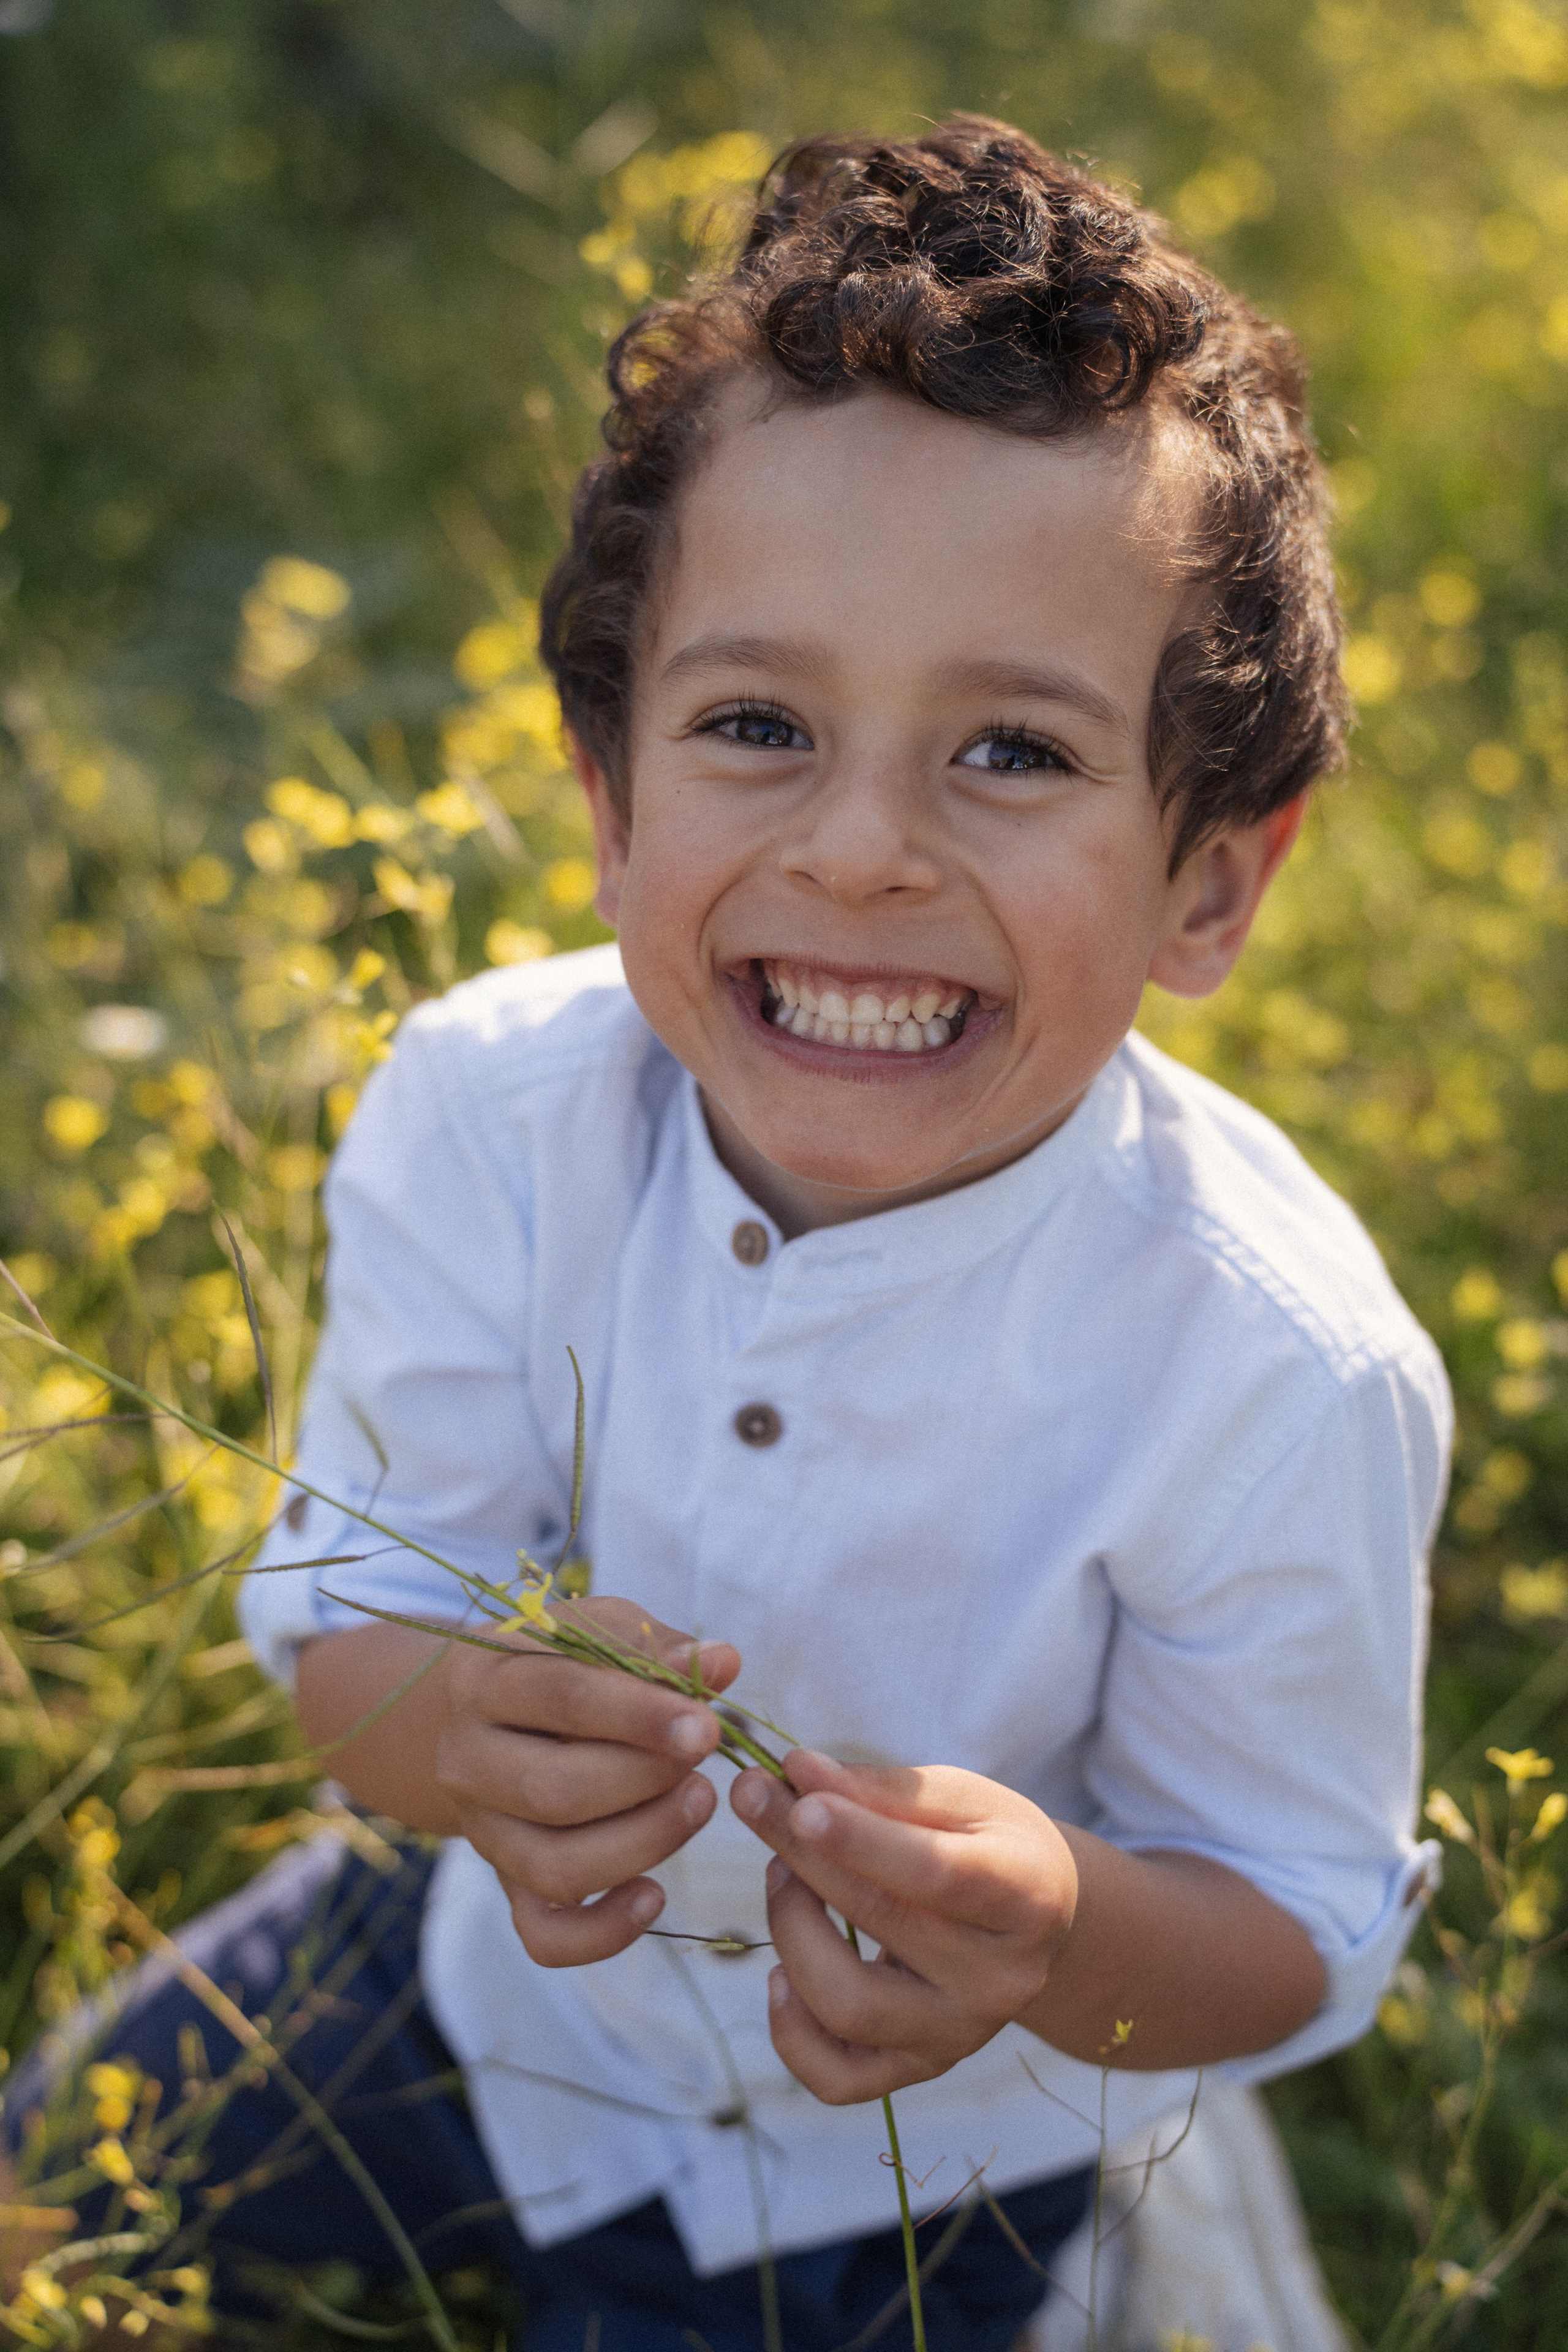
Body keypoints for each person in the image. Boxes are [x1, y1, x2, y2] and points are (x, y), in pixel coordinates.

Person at [2, 116, 1450, 2352]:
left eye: (1016, 754)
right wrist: (455, 1738)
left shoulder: (1271, 1361)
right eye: (758, 724)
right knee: (39, 2181)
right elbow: (352, 1627)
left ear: (1212, 882)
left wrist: (1058, 1932)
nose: (863, 848)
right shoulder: (490, 1117)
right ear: (608, 797)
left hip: (898, 2177)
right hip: (467, 1998)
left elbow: (1292, 1934)